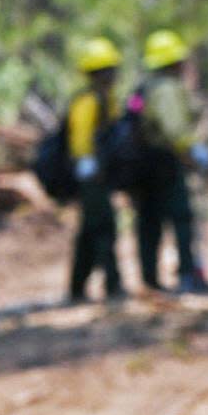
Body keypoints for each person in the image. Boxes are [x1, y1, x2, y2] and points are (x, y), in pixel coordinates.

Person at [135, 29, 208, 293]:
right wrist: (191, 152)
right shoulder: (167, 90)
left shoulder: (146, 88)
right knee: (181, 218)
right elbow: (175, 130)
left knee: (149, 223)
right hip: (164, 165)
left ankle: (150, 280)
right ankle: (188, 276)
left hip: (145, 167)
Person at [67, 37, 125, 302]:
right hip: (90, 177)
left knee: (90, 232)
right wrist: (88, 164)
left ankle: (77, 288)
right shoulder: (87, 101)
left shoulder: (106, 99)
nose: (114, 74)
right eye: (109, 69)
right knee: (103, 228)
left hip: (100, 174)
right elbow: (80, 141)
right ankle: (112, 285)